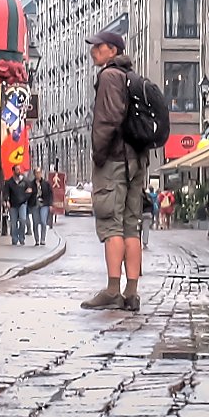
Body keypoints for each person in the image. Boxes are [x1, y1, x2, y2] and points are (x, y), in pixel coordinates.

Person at [81, 30, 144, 312]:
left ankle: (112, 289)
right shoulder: (133, 78)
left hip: (115, 160)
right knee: (132, 225)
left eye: (99, 47)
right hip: (137, 160)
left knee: (111, 224)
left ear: (113, 50)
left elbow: (107, 120)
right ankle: (132, 292)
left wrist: (98, 155)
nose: (93, 51)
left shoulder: (109, 76)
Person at [4, 165, 34, 245]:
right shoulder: (9, 182)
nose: (19, 171)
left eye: (19, 169)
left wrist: (26, 196)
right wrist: (6, 200)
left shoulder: (25, 181)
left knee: (23, 220)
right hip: (13, 205)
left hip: (22, 204)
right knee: (13, 223)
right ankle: (14, 238)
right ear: (13, 171)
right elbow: (6, 192)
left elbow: (30, 190)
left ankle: (21, 238)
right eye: (17, 169)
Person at [32, 166, 53, 245]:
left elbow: (50, 194)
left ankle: (43, 239)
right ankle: (37, 239)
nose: (38, 175)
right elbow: (29, 194)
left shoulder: (46, 184)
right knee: (35, 222)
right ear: (34, 174)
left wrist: (50, 204)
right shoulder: (31, 184)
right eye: (36, 173)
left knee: (43, 221)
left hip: (44, 204)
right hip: (35, 205)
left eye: (39, 173)